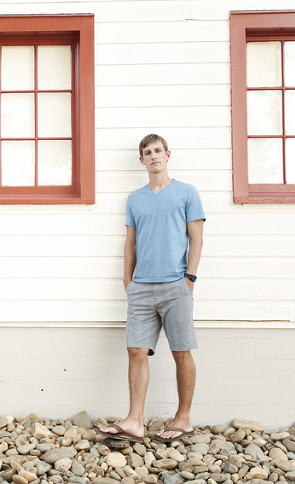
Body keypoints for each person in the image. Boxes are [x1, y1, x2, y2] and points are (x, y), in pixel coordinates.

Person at [99, 134, 205, 443]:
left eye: (158, 150)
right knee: (136, 351)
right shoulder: (135, 199)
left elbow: (196, 237)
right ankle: (134, 420)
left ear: (168, 155)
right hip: (141, 287)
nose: (154, 155)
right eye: (148, 152)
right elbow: (130, 241)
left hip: (176, 285)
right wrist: (127, 280)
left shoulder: (187, 193)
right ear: (141, 160)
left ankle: (183, 419)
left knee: (181, 352)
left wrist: (190, 278)